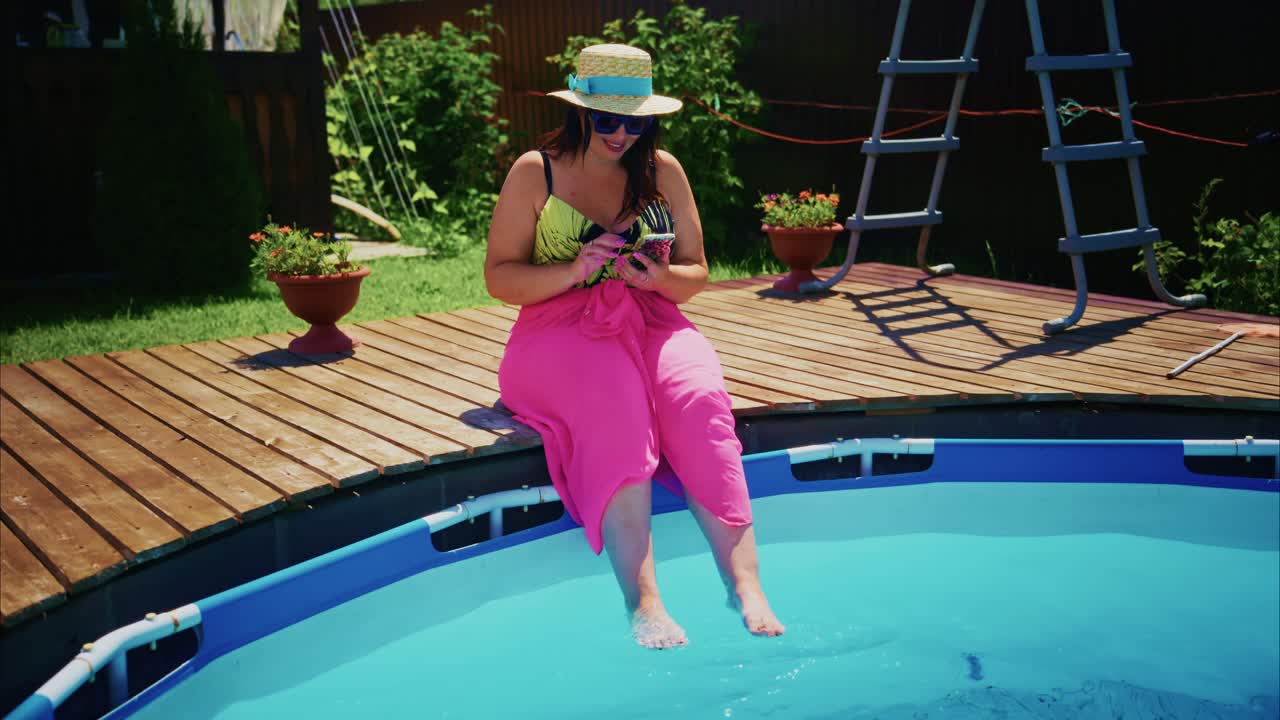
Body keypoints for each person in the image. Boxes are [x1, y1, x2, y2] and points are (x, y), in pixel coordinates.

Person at [485, 44, 784, 649]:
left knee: (697, 395)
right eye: (608, 120)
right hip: (557, 327)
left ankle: (745, 583)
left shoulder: (662, 171)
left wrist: (658, 280)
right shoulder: (534, 171)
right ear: (580, 112)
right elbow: (498, 276)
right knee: (615, 398)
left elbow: (697, 271)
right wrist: (572, 271)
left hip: (648, 315)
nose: (622, 133)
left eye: (636, 121)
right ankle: (643, 599)